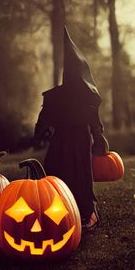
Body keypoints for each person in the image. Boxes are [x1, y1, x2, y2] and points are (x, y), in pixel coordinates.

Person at [34, 26, 108, 230]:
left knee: (81, 177)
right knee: (56, 173)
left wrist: (99, 138)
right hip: (62, 140)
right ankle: (58, 211)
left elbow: (94, 120)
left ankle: (88, 212)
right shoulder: (56, 97)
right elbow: (44, 119)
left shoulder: (87, 97)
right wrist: (41, 131)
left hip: (80, 141)